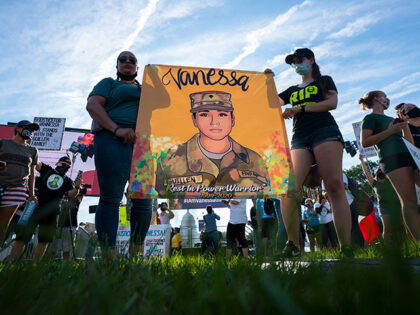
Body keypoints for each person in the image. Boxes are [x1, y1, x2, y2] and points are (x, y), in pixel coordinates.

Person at [271, 48, 352, 257]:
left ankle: (346, 247)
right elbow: (270, 104)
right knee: (288, 189)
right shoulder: (291, 90)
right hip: (299, 138)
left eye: (300, 60)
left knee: (334, 186)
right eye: (293, 62)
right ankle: (293, 245)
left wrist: (301, 108)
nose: (297, 64)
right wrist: (266, 82)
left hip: (325, 132)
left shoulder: (324, 80)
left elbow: (332, 103)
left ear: (311, 60)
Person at [86, 51, 153, 256]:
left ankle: (136, 253)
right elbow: (93, 105)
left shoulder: (148, 90)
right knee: (111, 197)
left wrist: (156, 76)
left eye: (132, 60)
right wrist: (116, 129)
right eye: (122, 59)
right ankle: (109, 255)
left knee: (144, 199)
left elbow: (169, 102)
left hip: (142, 144)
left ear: (137, 67)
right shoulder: (109, 83)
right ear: (117, 66)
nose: (127, 62)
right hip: (112, 138)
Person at [155, 91, 269, 197]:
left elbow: (268, 195)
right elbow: (157, 197)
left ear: (232, 120)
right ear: (194, 120)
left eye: (222, 114)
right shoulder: (169, 159)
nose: (214, 122)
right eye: (204, 115)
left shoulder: (253, 159)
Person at [359, 90, 420, 240]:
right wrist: (390, 131)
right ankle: (417, 241)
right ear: (376, 99)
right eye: (384, 96)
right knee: (409, 201)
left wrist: (404, 125)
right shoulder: (370, 118)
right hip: (392, 159)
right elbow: (365, 142)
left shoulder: (391, 118)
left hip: (409, 156)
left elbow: (410, 143)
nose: (387, 99)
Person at [9, 156, 81, 261]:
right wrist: (32, 153)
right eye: (64, 163)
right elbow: (37, 164)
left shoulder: (68, 181)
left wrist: (77, 187)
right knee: (22, 237)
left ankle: (34, 267)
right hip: (34, 207)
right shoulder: (48, 170)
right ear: (58, 163)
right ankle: (11, 263)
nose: (66, 166)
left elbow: (72, 194)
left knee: (44, 240)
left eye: (68, 165)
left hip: (52, 212)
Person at [0, 120, 39, 245]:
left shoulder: (33, 150)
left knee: (3, 226)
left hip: (17, 189)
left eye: (32, 129)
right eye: (27, 127)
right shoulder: (3, 143)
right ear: (18, 128)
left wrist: (32, 194)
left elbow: (32, 174)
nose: (30, 131)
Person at [359, 155, 404, 241]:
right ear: (375, 175)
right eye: (378, 172)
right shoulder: (374, 183)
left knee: (401, 226)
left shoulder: (390, 180)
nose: (380, 173)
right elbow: (366, 172)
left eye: (381, 171)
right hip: (383, 207)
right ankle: (386, 249)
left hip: (396, 204)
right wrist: (361, 160)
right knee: (387, 229)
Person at [49, 193, 84, 260]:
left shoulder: (76, 198)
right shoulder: (61, 193)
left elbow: (81, 194)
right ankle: (44, 267)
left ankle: (66, 268)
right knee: (52, 249)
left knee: (67, 250)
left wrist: (76, 190)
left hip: (70, 225)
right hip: (58, 224)